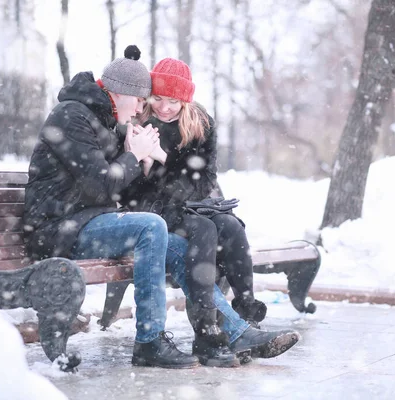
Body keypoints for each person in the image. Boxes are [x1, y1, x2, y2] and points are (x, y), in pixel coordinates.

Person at [24, 45, 200, 369]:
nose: (138, 111)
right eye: (139, 102)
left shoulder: (105, 119)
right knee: (151, 227)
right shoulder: (72, 116)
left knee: (179, 247)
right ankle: (149, 341)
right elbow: (101, 184)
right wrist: (132, 155)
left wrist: (145, 158)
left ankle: (220, 331)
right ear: (122, 93)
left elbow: (118, 185)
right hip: (57, 229)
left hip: (86, 221)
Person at [121, 57, 298, 362]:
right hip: (153, 212)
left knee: (231, 227)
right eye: (158, 98)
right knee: (204, 229)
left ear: (186, 99)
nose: (164, 107)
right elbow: (134, 188)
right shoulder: (139, 123)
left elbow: (203, 184)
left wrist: (161, 157)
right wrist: (150, 164)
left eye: (173, 101)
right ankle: (207, 333)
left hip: (192, 205)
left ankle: (246, 316)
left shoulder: (199, 124)